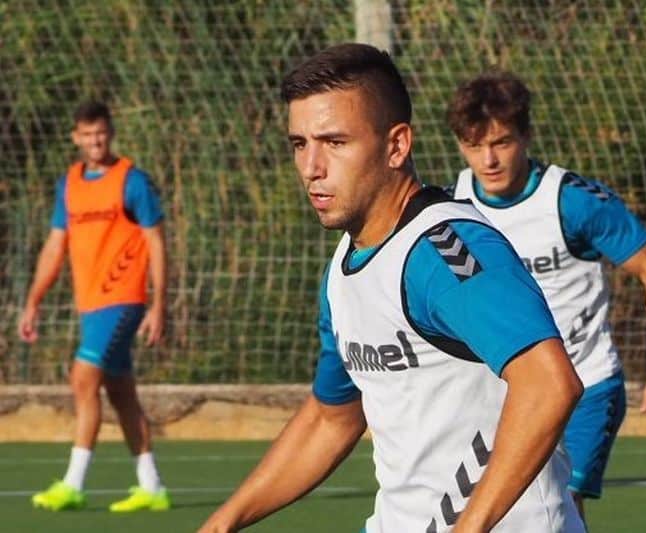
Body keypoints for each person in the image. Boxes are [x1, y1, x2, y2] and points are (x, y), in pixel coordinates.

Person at [198, 43, 585, 533]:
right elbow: (331, 417)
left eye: (335, 143)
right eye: (300, 143)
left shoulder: (447, 252)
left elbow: (549, 383)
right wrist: (224, 522)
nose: (311, 166)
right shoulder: (345, 266)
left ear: (397, 145)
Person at [446, 70, 646, 521]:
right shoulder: (452, 209)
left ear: (526, 135)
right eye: (472, 145)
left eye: (501, 142)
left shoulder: (572, 202)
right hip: (508, 394)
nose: (487, 159)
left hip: (587, 385)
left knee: (564, 510)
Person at [18, 101, 171, 513]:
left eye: (100, 133)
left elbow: (156, 241)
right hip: (90, 303)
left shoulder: (132, 181)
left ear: (110, 132)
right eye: (86, 135)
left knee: (82, 378)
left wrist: (159, 304)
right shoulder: (69, 184)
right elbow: (55, 245)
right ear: (75, 137)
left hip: (123, 298)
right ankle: (151, 485)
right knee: (120, 392)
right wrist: (32, 301)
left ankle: (73, 483)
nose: (94, 141)